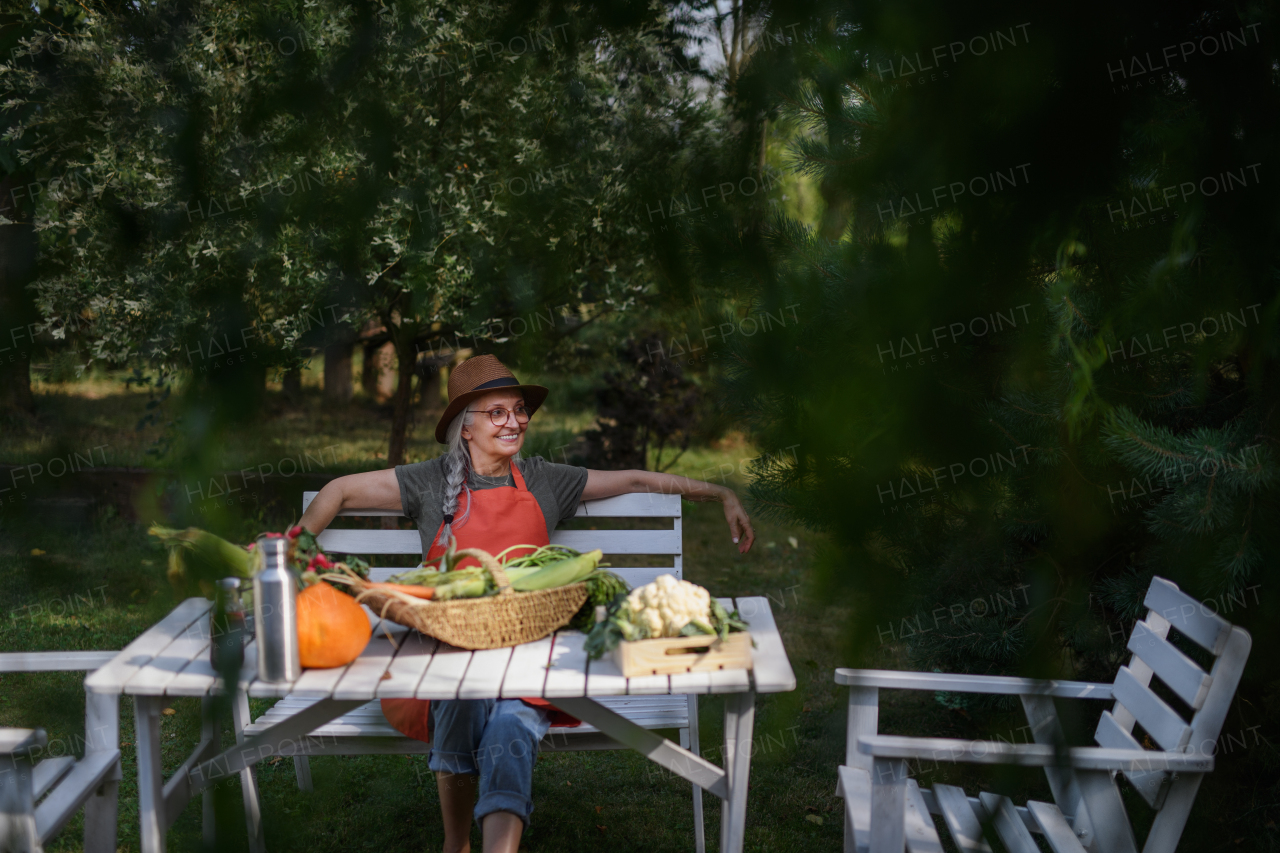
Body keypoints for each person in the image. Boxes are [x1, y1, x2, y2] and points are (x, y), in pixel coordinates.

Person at [298, 353, 754, 853]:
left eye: (519, 410)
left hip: (529, 649)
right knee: (458, 699)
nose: (514, 421)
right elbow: (339, 489)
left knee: (511, 721)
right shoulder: (429, 481)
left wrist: (720, 493)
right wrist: (294, 548)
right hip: (448, 651)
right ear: (464, 427)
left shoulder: (542, 478)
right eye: (498, 412)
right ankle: (457, 844)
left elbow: (635, 480)